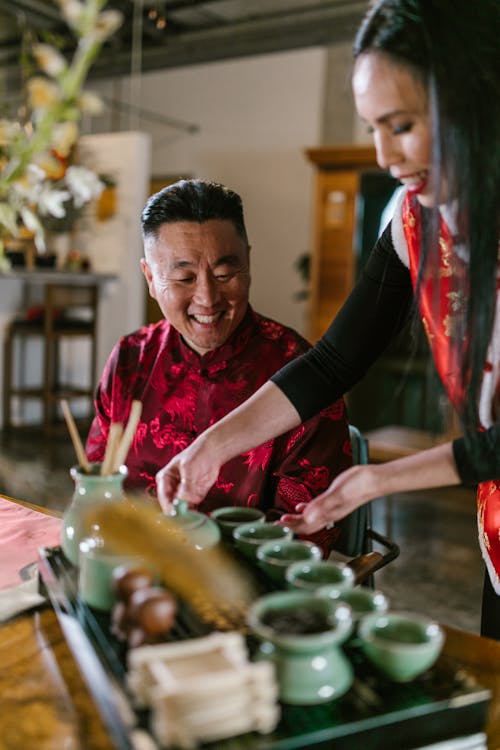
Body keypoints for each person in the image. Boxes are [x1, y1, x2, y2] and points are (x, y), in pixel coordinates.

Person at [156, 0, 500, 638]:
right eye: (373, 127)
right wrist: (211, 449)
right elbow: (334, 362)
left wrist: (373, 480)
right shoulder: (414, 219)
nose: (385, 154)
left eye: (401, 125)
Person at [86, 178, 353, 554]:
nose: (208, 298)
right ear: (150, 278)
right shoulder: (131, 360)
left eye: (225, 274)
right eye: (184, 278)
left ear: (248, 262)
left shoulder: (302, 372)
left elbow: (308, 531)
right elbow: (98, 484)